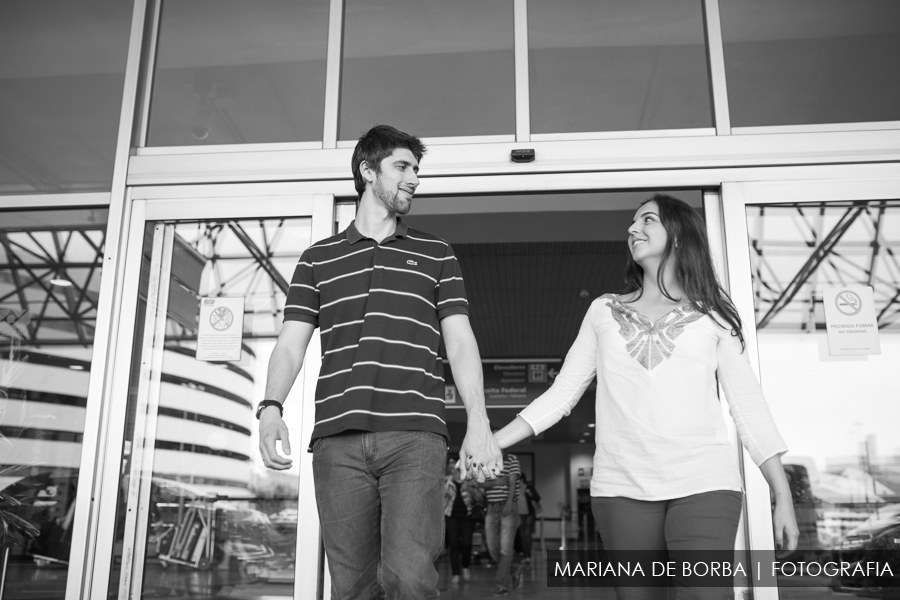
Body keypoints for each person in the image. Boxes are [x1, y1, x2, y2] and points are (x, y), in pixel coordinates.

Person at [492, 194, 799, 599]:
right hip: (621, 488)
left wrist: (782, 495)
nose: (633, 229)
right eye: (632, 224)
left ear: (678, 235)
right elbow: (561, 394)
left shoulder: (714, 316)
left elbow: (748, 407)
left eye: (647, 220)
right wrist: (491, 442)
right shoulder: (604, 310)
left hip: (705, 483)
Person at [257, 124, 502, 599]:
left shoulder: (436, 254)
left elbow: (460, 341)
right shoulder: (317, 258)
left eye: (417, 169)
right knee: (352, 587)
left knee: (410, 579)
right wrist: (270, 408)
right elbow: (291, 344)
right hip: (337, 442)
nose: (414, 179)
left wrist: (479, 421)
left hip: (415, 436)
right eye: (403, 167)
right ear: (367, 171)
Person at [478, 452, 523, 596]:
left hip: (508, 506)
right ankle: (514, 568)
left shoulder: (511, 459)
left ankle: (501, 585)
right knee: (492, 547)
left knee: (505, 549)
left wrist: (509, 504)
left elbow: (512, 482)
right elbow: (480, 483)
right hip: (491, 507)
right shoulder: (486, 460)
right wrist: (495, 482)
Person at [443, 456, 479, 584]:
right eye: (449, 464)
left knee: (467, 544)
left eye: (453, 463)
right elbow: (441, 497)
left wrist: (469, 488)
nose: (451, 466)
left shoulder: (469, 480)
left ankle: (465, 566)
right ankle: (456, 573)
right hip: (451, 516)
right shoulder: (446, 481)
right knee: (454, 544)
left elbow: (480, 497)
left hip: (467, 517)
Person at [516, 473, 541, 563]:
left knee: (527, 535)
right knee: (522, 535)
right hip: (519, 514)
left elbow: (537, 498)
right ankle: (525, 555)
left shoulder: (528, 487)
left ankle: (528, 556)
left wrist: (529, 493)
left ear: (522, 479)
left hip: (529, 514)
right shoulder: (514, 489)